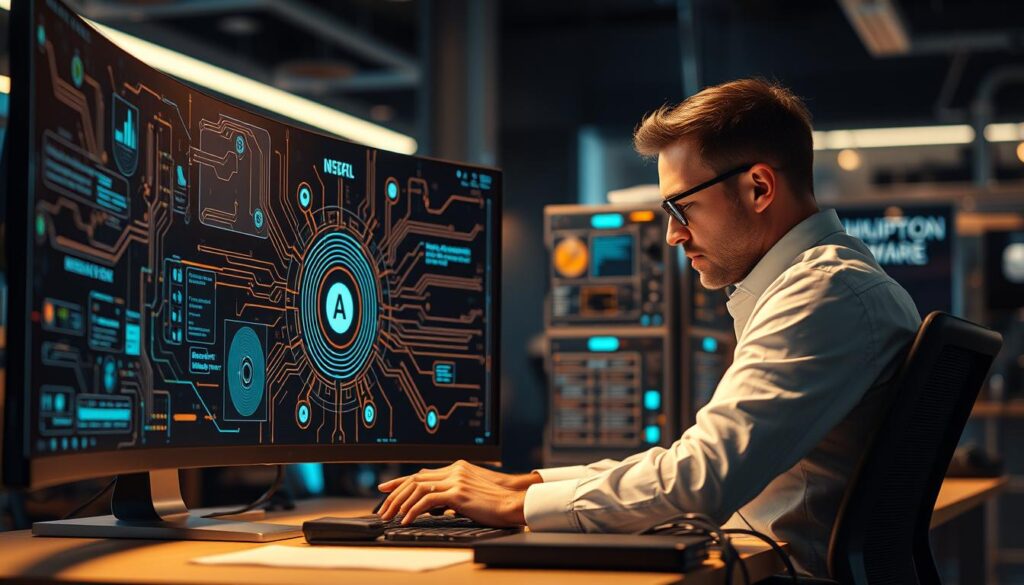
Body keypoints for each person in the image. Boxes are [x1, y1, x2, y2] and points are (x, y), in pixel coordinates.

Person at [376, 78, 922, 577]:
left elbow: (700, 479)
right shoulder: (831, 286)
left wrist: (517, 506)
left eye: (681, 208)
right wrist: (527, 484)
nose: (671, 236)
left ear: (759, 188)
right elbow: (692, 459)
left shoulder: (822, 293)